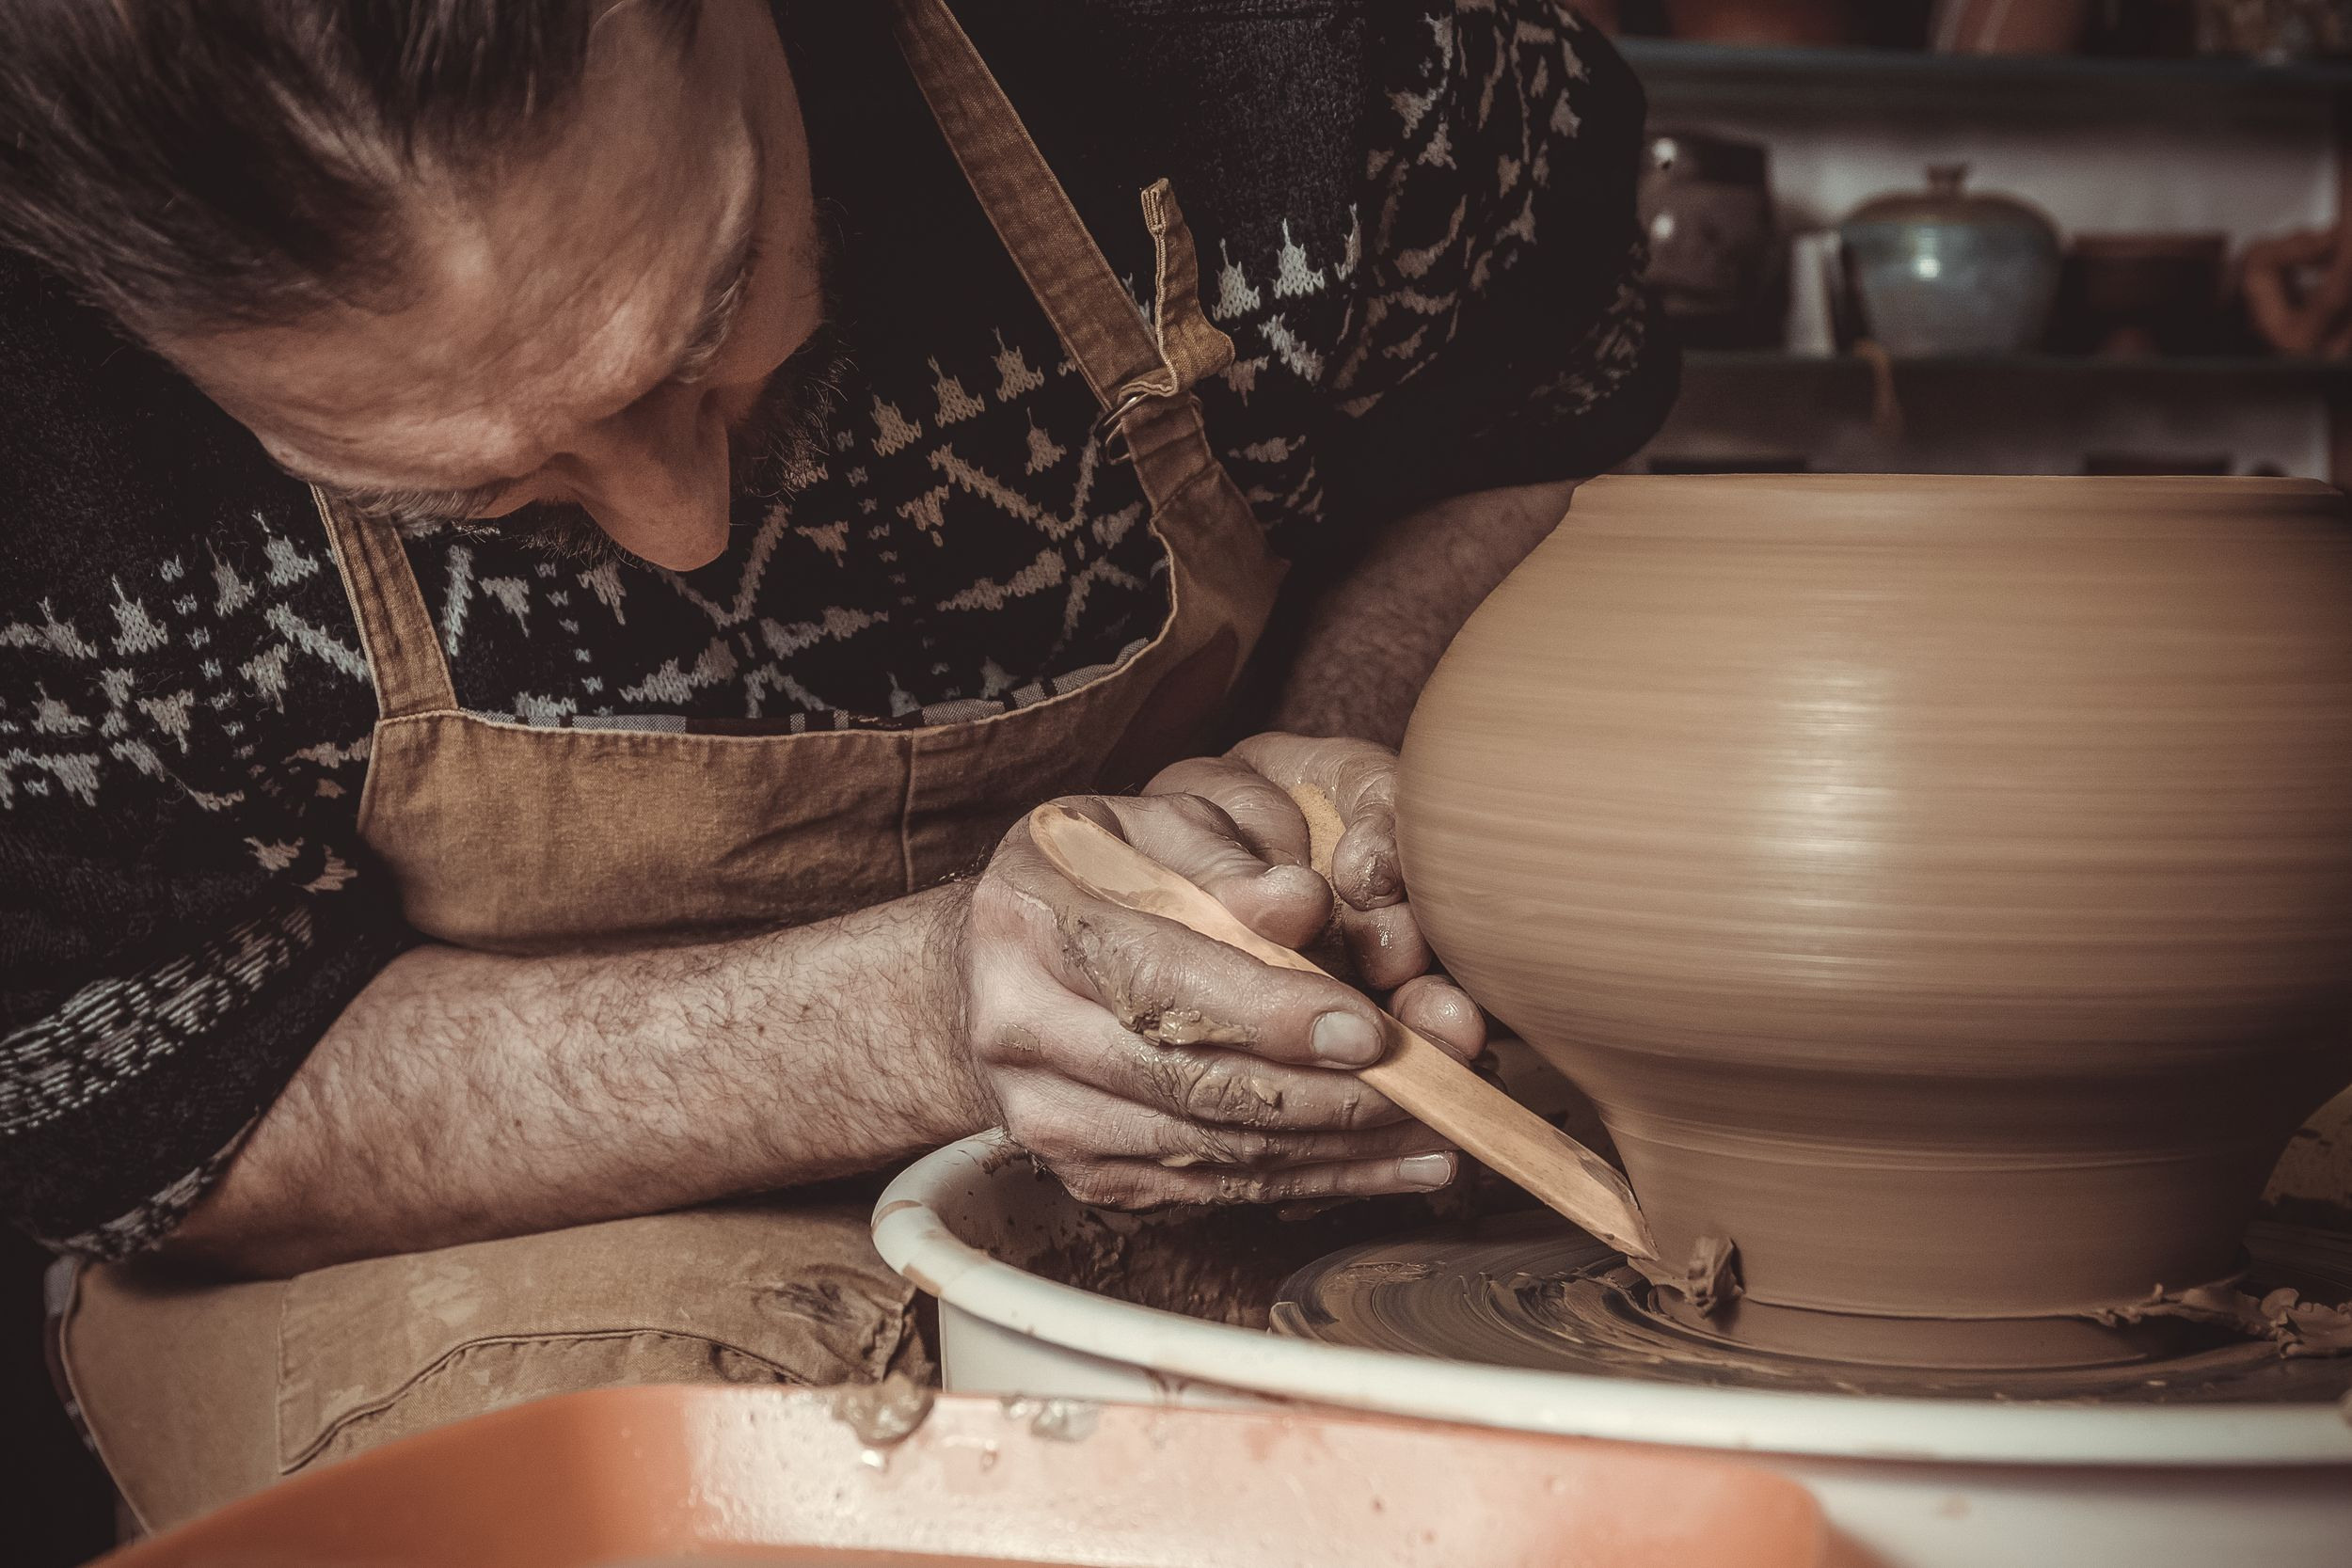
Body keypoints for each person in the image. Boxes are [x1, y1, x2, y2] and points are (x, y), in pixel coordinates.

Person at [0, 0, 1672, 1529]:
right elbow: (143, 1114)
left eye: (712, 308)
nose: (685, 528)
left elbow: (1537, 412)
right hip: (458, 1239)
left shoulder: (1314, 51)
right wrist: (914, 1015)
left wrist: (1341, 747)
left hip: (1281, 1188)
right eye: (462, 501)